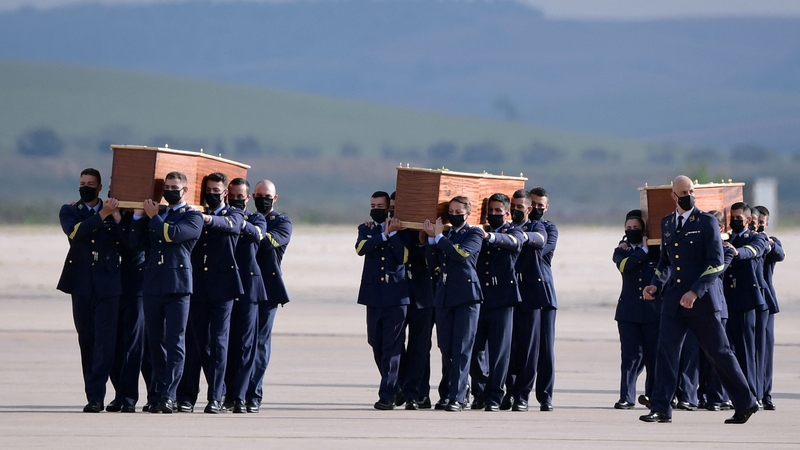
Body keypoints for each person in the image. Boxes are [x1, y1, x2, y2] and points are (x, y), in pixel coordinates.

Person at [640, 175, 758, 424]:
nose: (688, 195)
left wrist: (695, 291)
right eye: (683, 192)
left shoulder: (705, 222)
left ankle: (746, 403)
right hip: (674, 300)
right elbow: (665, 262)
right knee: (667, 351)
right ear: (673, 195)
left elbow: (716, 262)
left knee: (719, 352)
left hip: (702, 301)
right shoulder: (668, 223)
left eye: (691, 190)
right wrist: (654, 284)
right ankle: (661, 408)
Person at [131, 171, 203, 414]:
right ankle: (156, 393)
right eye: (167, 186)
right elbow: (135, 244)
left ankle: (169, 395)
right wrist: (139, 218)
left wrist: (152, 217)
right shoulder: (157, 215)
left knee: (175, 342)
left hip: (178, 287)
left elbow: (171, 235)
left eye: (175, 187)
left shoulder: (193, 217)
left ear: (184, 191)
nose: (170, 190)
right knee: (154, 344)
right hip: (152, 285)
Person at [58, 168, 122, 412]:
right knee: (87, 340)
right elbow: (75, 233)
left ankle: (102, 393)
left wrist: (114, 216)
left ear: (99, 186)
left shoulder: (114, 211)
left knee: (106, 342)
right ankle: (93, 396)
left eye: (90, 183)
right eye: (82, 182)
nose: (85, 186)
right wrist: (102, 214)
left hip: (109, 284)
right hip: (81, 283)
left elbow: (128, 240)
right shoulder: (70, 210)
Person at [180, 172, 244, 414]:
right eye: (208, 190)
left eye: (217, 191)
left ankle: (216, 397)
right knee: (197, 342)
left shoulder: (233, 214)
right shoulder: (194, 214)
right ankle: (187, 395)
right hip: (197, 286)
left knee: (219, 342)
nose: (212, 194)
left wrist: (205, 219)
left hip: (224, 288)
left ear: (225, 193)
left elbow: (232, 226)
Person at [424, 196, 484, 412]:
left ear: (467, 213)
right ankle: (456, 390)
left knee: (462, 349)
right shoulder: (445, 235)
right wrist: (431, 240)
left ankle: (457, 397)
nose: (454, 214)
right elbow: (432, 263)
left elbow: (461, 254)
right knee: (446, 347)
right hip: (445, 296)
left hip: (467, 297)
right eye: (450, 210)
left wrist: (438, 238)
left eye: (458, 210)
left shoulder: (475, 233)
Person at [356, 191, 409, 410]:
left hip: (396, 297)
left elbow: (404, 256)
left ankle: (387, 394)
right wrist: (384, 235)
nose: (376, 208)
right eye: (372, 205)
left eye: (380, 205)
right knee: (375, 343)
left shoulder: (404, 230)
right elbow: (361, 248)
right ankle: (397, 388)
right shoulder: (366, 229)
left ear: (389, 207)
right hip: (373, 295)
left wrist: (394, 234)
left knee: (392, 346)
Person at [470, 193, 523, 411]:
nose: (493, 215)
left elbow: (514, 242)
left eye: (498, 211)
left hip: (503, 298)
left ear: (508, 213)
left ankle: (494, 395)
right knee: (474, 349)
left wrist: (489, 237)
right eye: (490, 211)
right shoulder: (476, 232)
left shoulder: (514, 231)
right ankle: (480, 392)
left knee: (500, 351)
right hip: (478, 297)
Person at [247, 179, 293, 413]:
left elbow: (268, 242)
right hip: (244, 288)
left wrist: (250, 228)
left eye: (267, 195)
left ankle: (254, 393)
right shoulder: (247, 219)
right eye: (258, 195)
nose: (262, 199)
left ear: (275, 198)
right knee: (242, 342)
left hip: (267, 289)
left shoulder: (282, 222)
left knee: (260, 344)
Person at [223, 178, 267, 413]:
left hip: (249, 289)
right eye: (233, 196)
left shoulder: (256, 218)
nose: (237, 200)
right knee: (224, 345)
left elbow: (259, 234)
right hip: (226, 287)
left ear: (248, 199)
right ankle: (225, 394)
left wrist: (237, 220)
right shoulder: (223, 219)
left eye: (241, 197)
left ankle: (241, 396)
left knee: (245, 346)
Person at [392, 193, 436, 411]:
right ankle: (400, 387)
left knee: (420, 348)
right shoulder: (390, 230)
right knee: (390, 345)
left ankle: (417, 394)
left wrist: (423, 241)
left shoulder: (422, 228)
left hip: (422, 296)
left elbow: (431, 258)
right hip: (396, 296)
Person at [504, 189, 547, 412]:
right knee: (507, 347)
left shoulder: (537, 227)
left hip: (529, 296)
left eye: (520, 207)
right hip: (507, 295)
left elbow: (540, 240)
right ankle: (509, 392)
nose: (515, 211)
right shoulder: (504, 228)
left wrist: (522, 236)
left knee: (528, 349)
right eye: (512, 206)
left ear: (529, 209)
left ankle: (522, 395)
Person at [611, 215, 660, 410]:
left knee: (652, 356)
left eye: (636, 227)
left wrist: (649, 249)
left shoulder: (657, 251)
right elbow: (625, 266)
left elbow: (662, 271)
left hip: (652, 311)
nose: (631, 230)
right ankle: (626, 396)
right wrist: (643, 251)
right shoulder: (620, 251)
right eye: (628, 227)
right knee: (629, 356)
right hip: (628, 310)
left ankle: (653, 395)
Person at [723, 202, 769, 404]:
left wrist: (736, 252)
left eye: (739, 218)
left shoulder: (757, 238)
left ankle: (752, 395)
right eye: (732, 217)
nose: (734, 221)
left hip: (745, 300)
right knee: (728, 349)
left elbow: (753, 251)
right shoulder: (727, 238)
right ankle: (733, 395)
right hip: (727, 300)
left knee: (746, 350)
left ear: (749, 220)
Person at [106, 210, 147, 413]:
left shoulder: (145, 214)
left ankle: (130, 396)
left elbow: (134, 243)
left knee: (134, 343)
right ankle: (120, 393)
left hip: (136, 285)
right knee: (114, 343)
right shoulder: (106, 212)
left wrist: (121, 219)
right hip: (110, 284)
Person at [530, 187, 559, 412]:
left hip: (544, 292)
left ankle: (545, 396)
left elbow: (540, 249)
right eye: (534, 204)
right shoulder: (517, 228)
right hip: (521, 291)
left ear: (546, 207)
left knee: (546, 348)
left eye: (541, 205)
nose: (537, 209)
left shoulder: (550, 229)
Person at [753, 205, 784, 410]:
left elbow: (780, 254)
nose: (760, 226)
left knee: (765, 349)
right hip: (745, 300)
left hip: (765, 301)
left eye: (763, 223)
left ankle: (766, 393)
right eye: (757, 223)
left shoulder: (771, 242)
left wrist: (768, 243)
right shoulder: (745, 241)